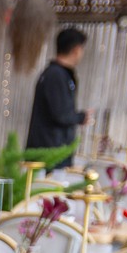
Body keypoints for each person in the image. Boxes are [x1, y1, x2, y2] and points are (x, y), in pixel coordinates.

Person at [27, 26, 88, 158]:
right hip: (49, 152)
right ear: (76, 50)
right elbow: (61, 114)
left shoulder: (59, 74)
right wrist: (81, 117)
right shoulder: (56, 75)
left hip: (53, 150)